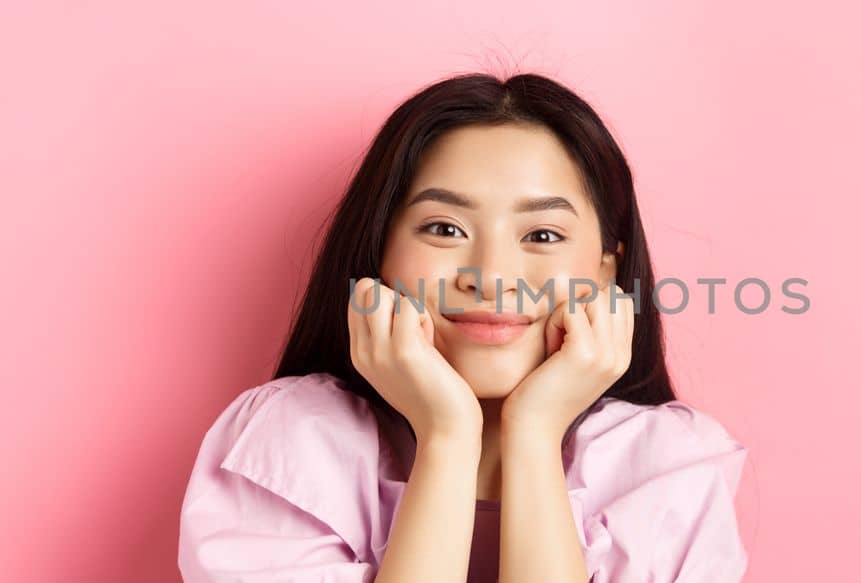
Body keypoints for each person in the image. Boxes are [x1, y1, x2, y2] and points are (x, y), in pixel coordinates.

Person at [177, 72, 749, 583]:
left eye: (543, 236)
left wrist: (534, 436)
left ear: (606, 268)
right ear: (380, 255)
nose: (494, 277)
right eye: (444, 229)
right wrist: (447, 438)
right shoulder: (288, 443)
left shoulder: (668, 469)